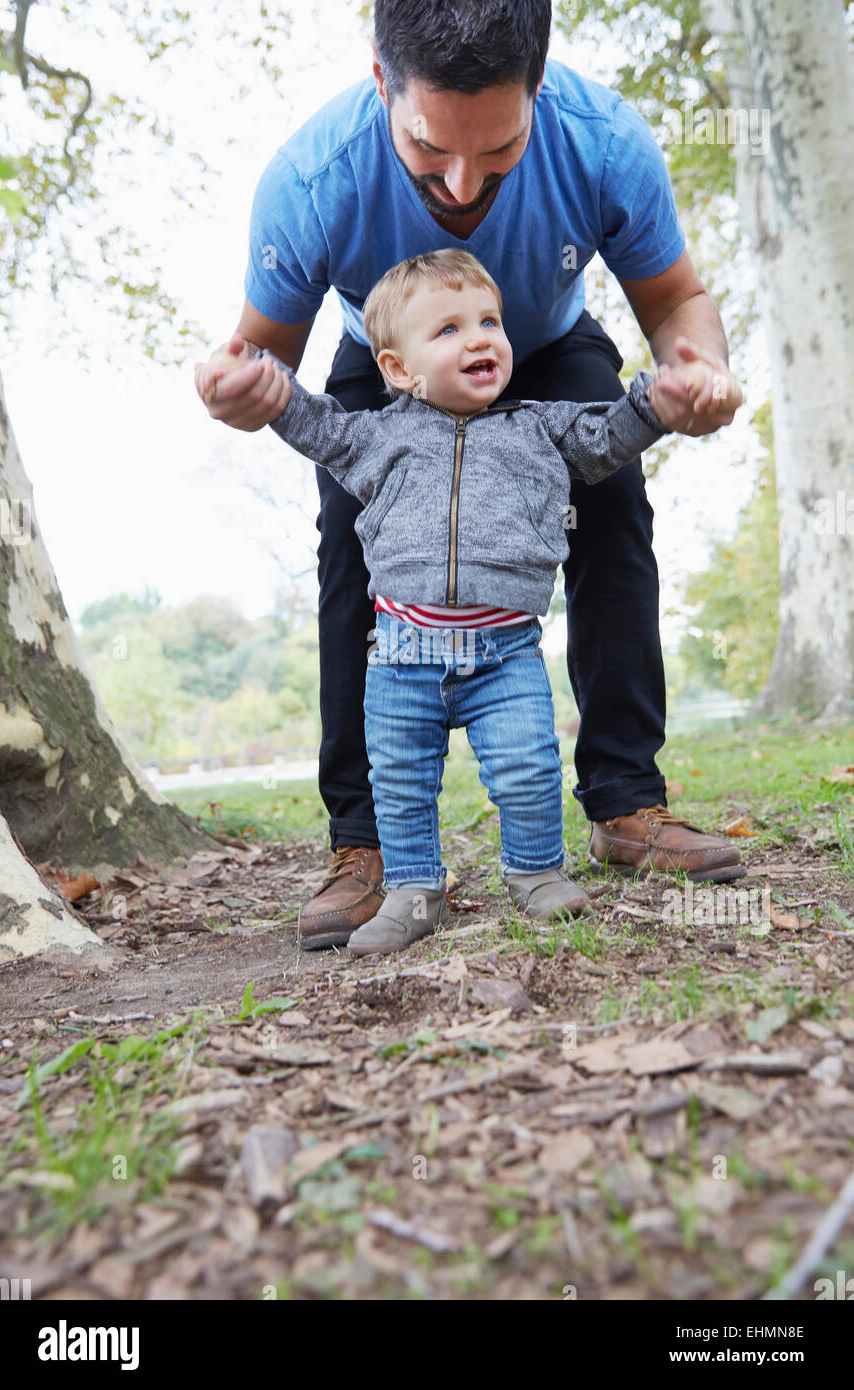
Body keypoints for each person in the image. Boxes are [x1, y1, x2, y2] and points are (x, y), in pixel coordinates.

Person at [194, 0, 745, 951]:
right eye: (430, 151)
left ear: (539, 87)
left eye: (499, 155)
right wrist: (241, 393)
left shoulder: (603, 138)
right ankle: (364, 844)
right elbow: (264, 363)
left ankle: (627, 803)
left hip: (543, 343)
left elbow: (676, 301)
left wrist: (696, 375)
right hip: (394, 355)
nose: (462, 186)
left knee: (614, 504)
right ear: (381, 80)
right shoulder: (313, 177)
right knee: (349, 542)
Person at [238, 248, 728, 956]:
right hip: (402, 659)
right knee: (401, 784)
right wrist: (261, 382)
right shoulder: (377, 436)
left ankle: (536, 872)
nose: (479, 338)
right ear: (398, 370)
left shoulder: (542, 427)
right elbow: (315, 423)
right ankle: (411, 890)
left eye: (489, 322)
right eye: (448, 330)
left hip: (504, 656)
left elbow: (608, 434)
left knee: (528, 767)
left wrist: (658, 401)